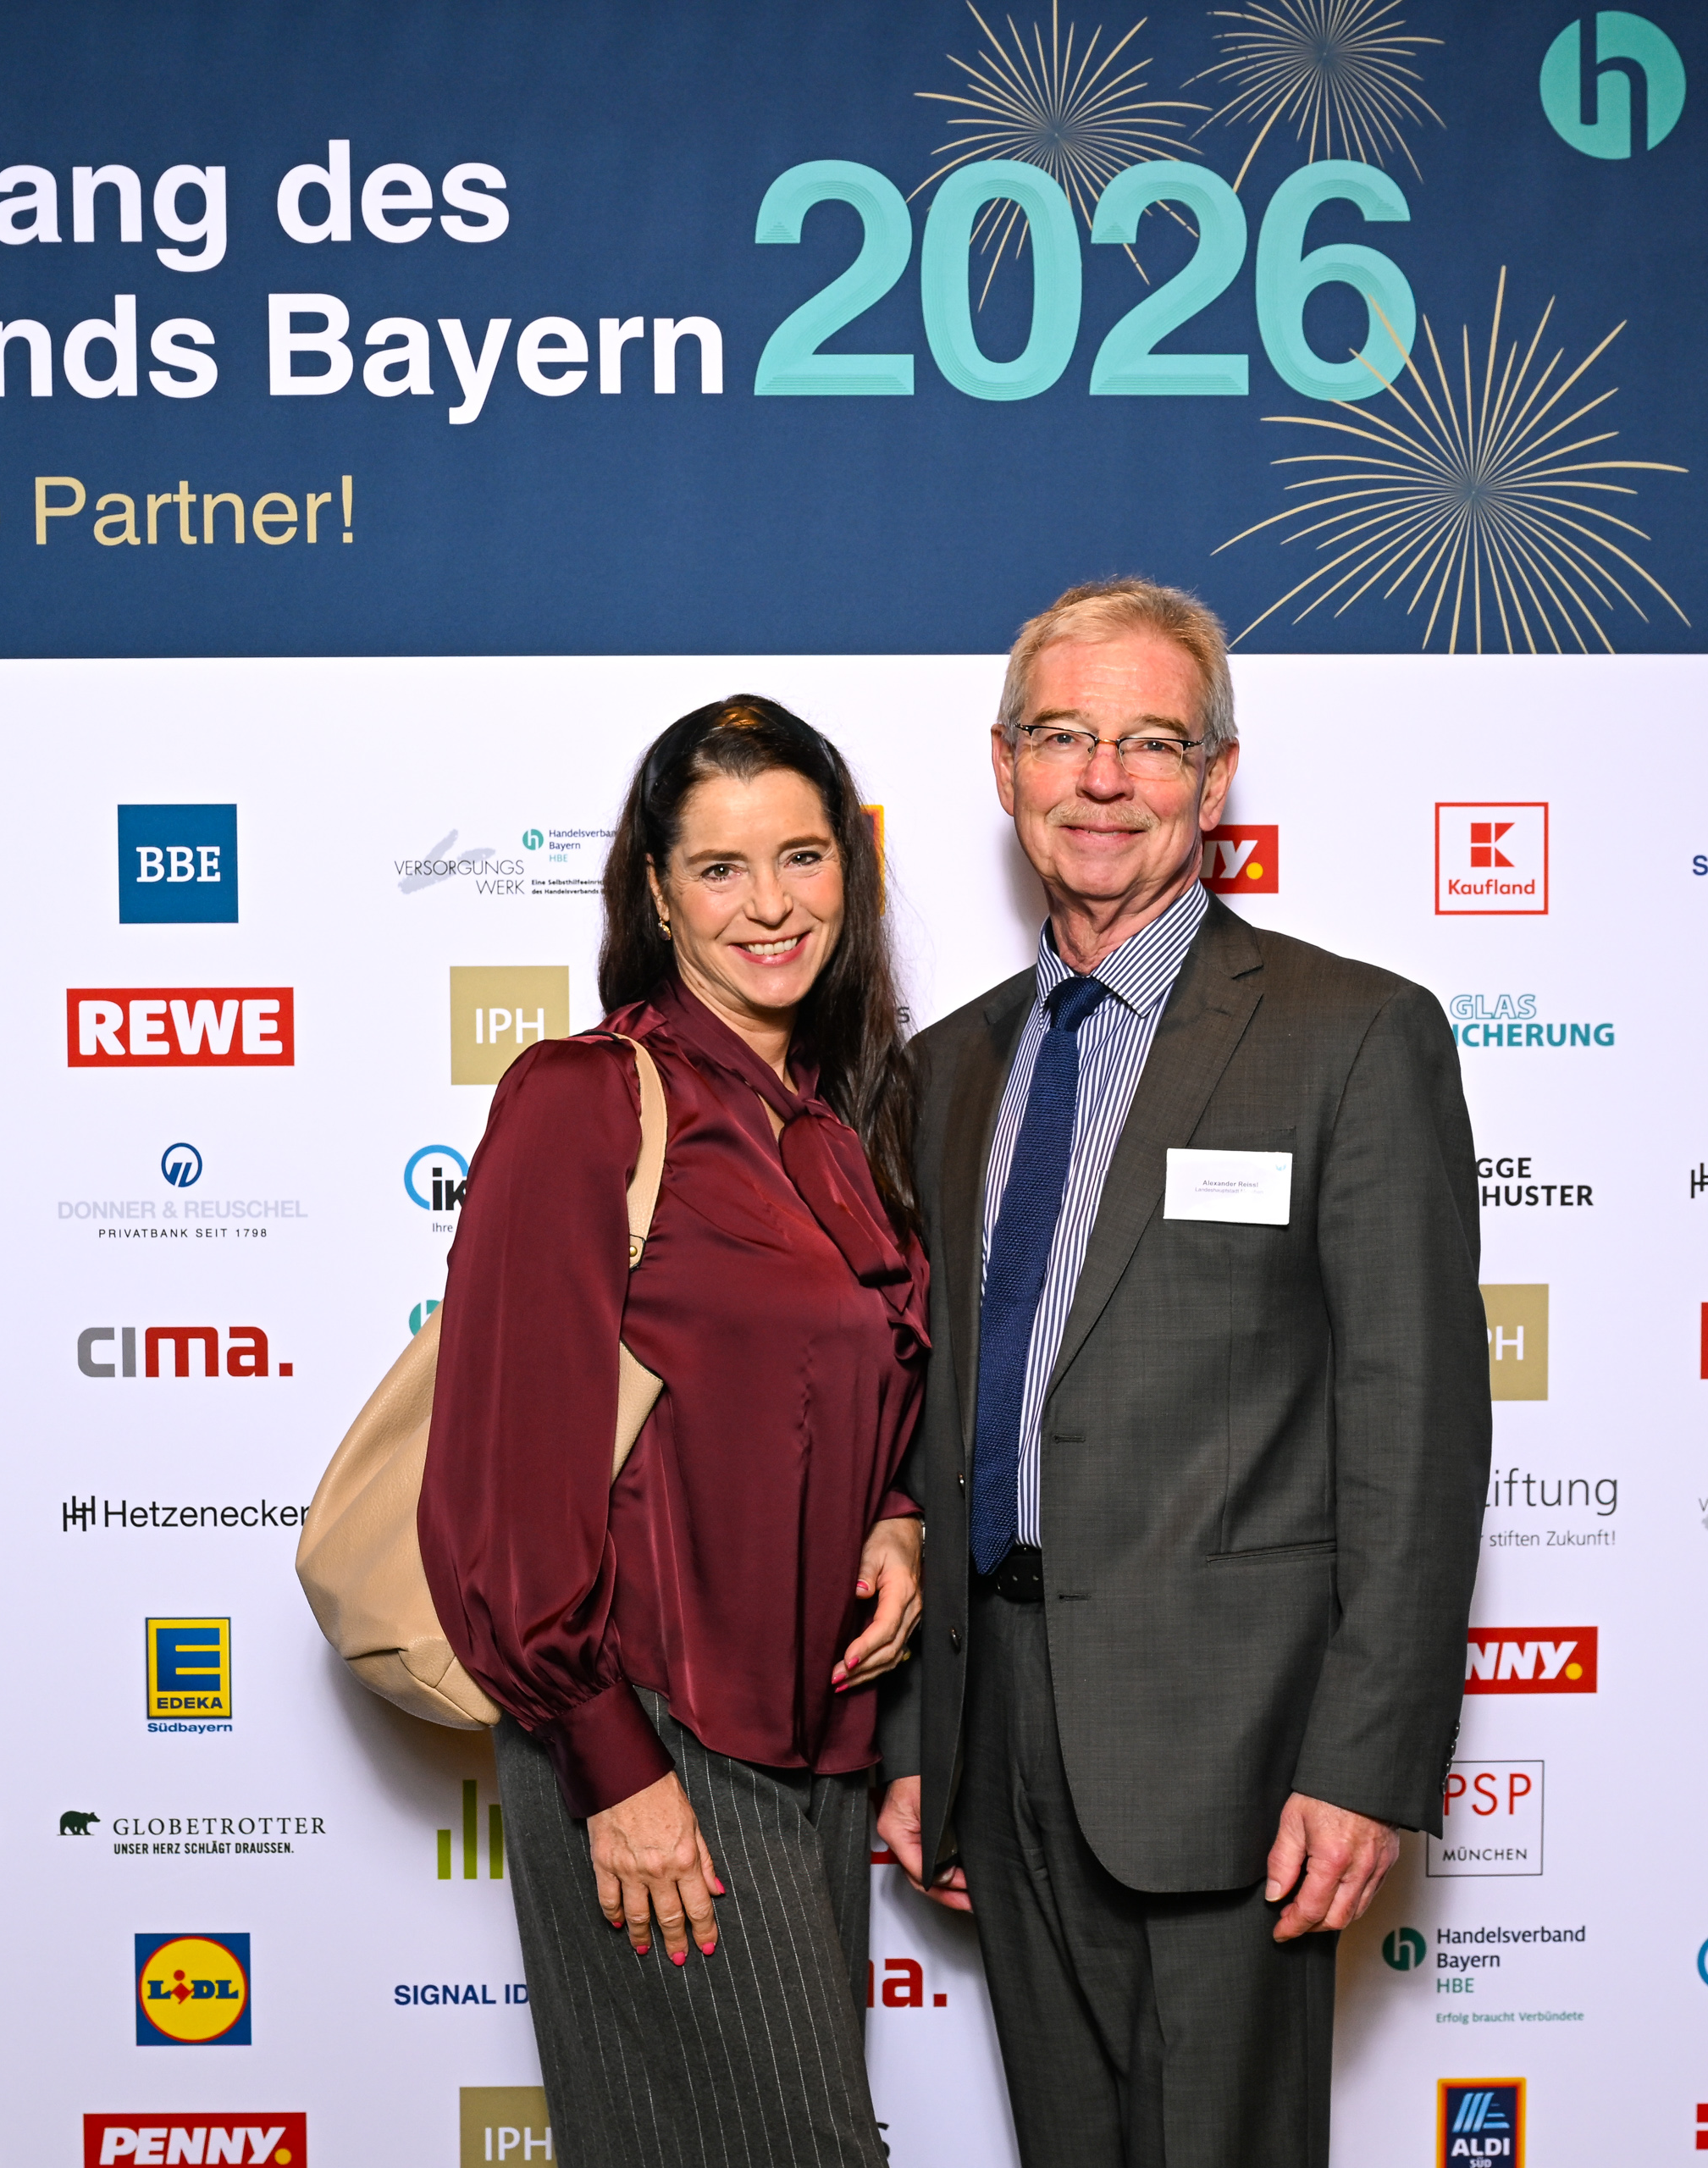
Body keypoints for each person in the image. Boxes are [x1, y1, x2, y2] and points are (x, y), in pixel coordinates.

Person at [876, 578, 1490, 2166]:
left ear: (1214, 782)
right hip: (996, 1736)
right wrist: (919, 1740)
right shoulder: (944, 1072)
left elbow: (1418, 1435)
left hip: (1240, 1757)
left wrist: (1367, 1766)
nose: (1104, 780)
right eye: (1063, 737)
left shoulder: (1352, 1036)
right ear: (1004, 767)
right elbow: (925, 1431)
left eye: (1152, 743)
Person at [421, 696, 931, 2168]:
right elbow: (503, 1479)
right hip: (655, 1733)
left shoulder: (844, 1116)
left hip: (816, 1743)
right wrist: (612, 1764)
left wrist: (895, 1518)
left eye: (803, 857)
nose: (771, 905)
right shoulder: (586, 1099)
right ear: (655, 892)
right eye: (720, 868)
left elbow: (848, 1386)